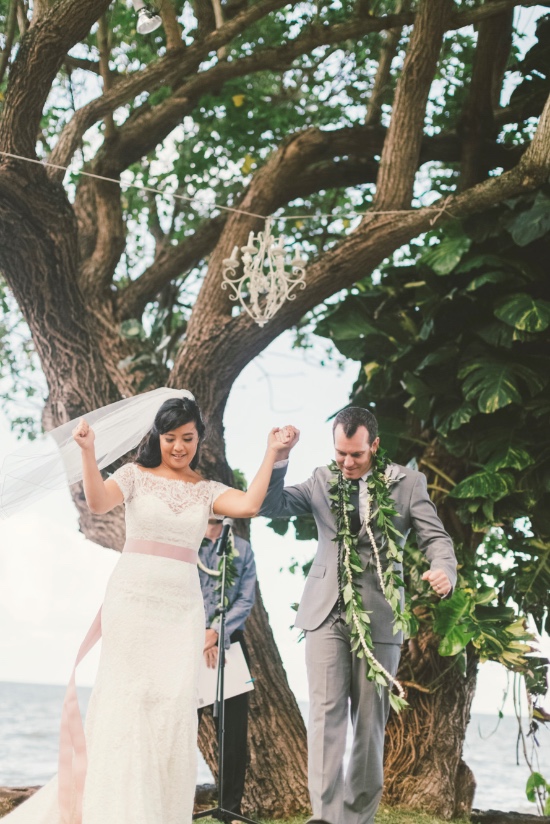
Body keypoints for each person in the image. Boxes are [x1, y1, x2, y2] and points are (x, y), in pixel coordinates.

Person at [2, 391, 293, 824]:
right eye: (171, 437)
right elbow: (98, 502)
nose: (179, 446)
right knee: (127, 700)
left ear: (200, 440)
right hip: (133, 599)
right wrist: (88, 452)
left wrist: (273, 452)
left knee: (170, 708)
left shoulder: (208, 490)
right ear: (157, 436)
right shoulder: (135, 475)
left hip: (181, 608)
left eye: (188, 438)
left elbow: (250, 504)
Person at [261, 407, 457, 824]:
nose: (347, 463)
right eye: (341, 454)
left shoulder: (408, 483)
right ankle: (326, 818)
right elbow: (270, 504)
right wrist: (278, 456)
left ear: (375, 446)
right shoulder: (321, 479)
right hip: (326, 612)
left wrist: (443, 570)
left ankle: (356, 819)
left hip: (381, 616)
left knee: (368, 725)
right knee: (325, 715)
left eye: (357, 455)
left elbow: (435, 538)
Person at [198, 518, 256, 819]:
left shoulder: (242, 549)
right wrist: (201, 637)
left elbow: (246, 600)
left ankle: (230, 809)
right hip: (188, 643)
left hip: (230, 643)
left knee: (233, 733)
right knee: (180, 726)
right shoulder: (186, 542)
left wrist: (217, 632)